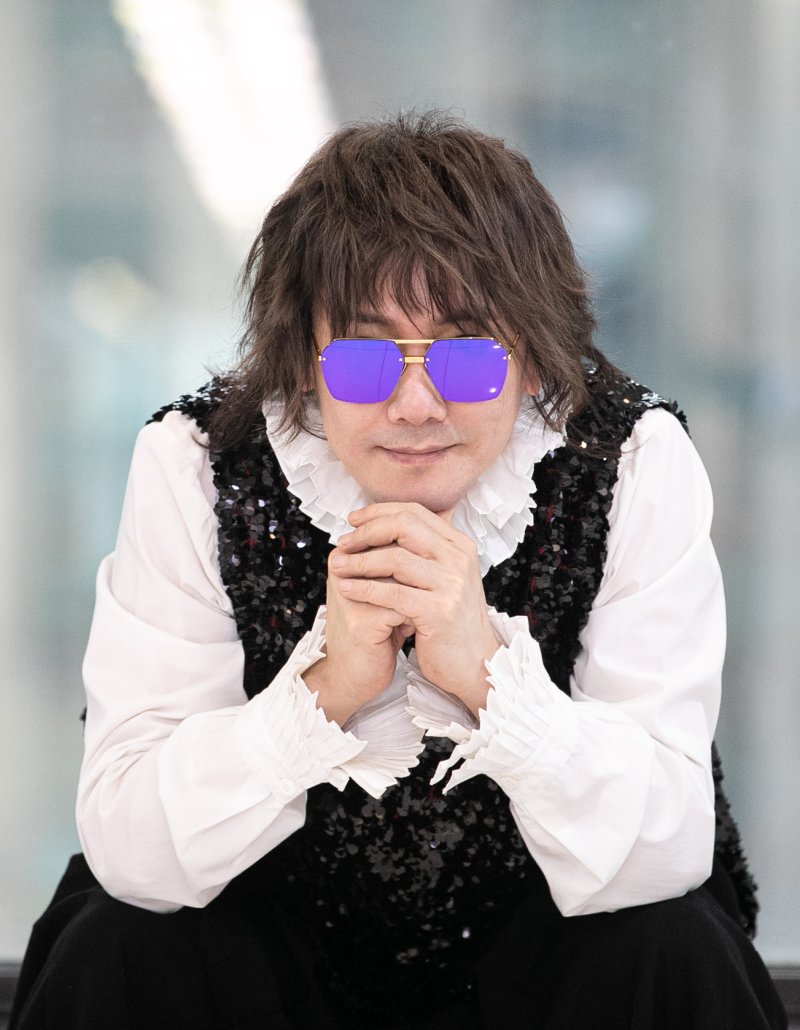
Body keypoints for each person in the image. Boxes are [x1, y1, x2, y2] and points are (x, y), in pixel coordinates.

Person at [10, 112, 787, 1030]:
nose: (415, 405)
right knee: (123, 942)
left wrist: (490, 677)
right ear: (303, 361)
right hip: (267, 959)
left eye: (467, 355)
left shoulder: (632, 461)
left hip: (548, 964)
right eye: (365, 357)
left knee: (669, 943)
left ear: (536, 358)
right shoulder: (196, 462)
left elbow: (669, 845)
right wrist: (325, 692)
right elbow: (131, 844)